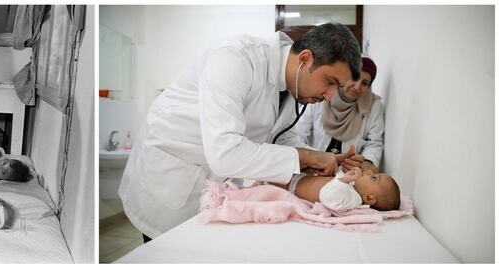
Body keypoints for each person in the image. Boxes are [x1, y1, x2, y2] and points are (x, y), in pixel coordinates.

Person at [119, 22, 363, 241]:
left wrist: (325, 160)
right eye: (330, 82)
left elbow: (283, 137)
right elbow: (225, 152)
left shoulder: (292, 85)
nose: (330, 96)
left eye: (337, 88)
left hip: (213, 182)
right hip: (170, 173)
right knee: (164, 251)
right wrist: (306, 157)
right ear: (305, 59)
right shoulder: (235, 58)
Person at [295, 56, 384, 173]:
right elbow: (298, 133)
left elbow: (374, 142)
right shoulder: (322, 95)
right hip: (313, 168)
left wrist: (367, 162)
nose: (357, 87)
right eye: (354, 78)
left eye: (365, 83)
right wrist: (312, 159)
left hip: (346, 172)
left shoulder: (373, 106)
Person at [274, 166, 401, 212]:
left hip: (291, 187)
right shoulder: (354, 189)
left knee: (269, 177)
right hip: (300, 178)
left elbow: (327, 196)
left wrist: (344, 179)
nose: (369, 172)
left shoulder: (353, 200)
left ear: (368, 198)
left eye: (373, 178)